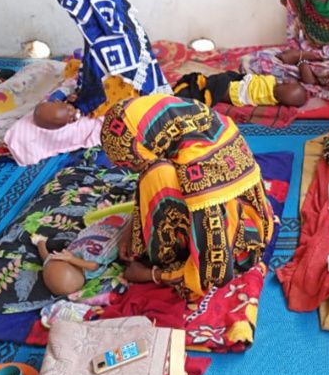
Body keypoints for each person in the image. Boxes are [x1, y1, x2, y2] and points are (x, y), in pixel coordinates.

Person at [101, 93, 274, 300]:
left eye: (134, 164)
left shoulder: (199, 182)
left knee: (156, 175)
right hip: (249, 217)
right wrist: (131, 229)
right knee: (155, 171)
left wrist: (152, 274)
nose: (135, 170)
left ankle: (168, 255)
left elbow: (214, 272)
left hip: (236, 248)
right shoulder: (194, 121)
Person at [57, 0, 172, 118]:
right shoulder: (121, 20)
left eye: (76, 10)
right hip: (143, 87)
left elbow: (100, 82)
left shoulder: (105, 39)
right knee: (74, 67)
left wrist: (80, 104)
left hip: (128, 99)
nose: (76, 17)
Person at [33, 213, 130, 296]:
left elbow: (47, 258)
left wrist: (40, 243)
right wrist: (71, 259)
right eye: (62, 260)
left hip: (97, 229)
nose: (60, 256)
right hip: (117, 232)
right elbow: (94, 266)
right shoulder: (88, 271)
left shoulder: (64, 258)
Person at [174, 70, 307, 108]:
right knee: (228, 76)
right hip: (238, 88)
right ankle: (206, 87)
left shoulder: (271, 88)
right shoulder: (273, 99)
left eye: (289, 84)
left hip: (233, 90)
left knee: (221, 80)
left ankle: (204, 91)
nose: (287, 81)